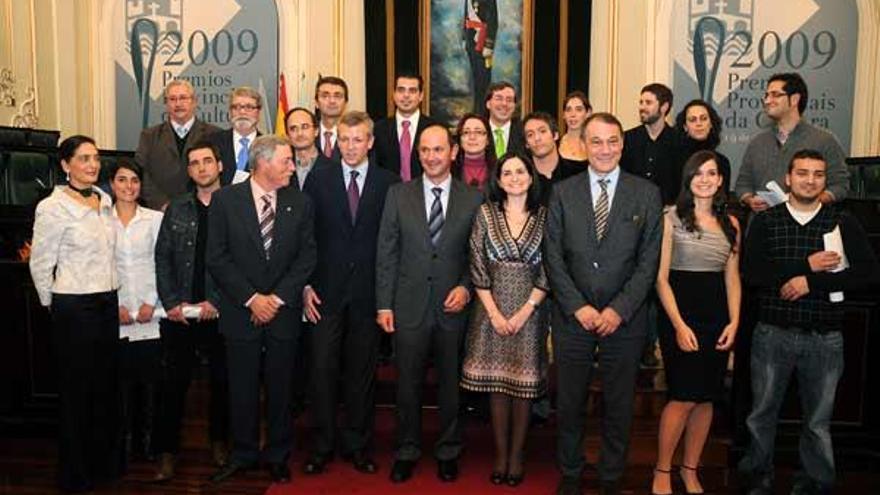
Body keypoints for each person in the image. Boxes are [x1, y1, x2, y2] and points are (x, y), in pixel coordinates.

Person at [737, 150, 879, 495]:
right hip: (773, 334)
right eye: (802, 173)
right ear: (788, 178)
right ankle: (758, 476)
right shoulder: (767, 221)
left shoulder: (842, 222)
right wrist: (806, 265)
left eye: (818, 174)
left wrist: (811, 282)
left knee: (818, 421)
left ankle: (816, 481)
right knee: (761, 414)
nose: (810, 180)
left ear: (824, 181)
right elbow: (753, 273)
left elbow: (869, 273)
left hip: (825, 337)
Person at [544, 113, 663, 495]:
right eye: (596, 141)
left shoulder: (646, 193)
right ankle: (571, 472)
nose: (605, 149)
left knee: (619, 405)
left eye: (612, 141)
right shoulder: (562, 192)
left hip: (624, 321)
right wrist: (578, 307)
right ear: (584, 145)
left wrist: (618, 309)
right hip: (572, 318)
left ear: (622, 144)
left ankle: (612, 476)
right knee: (570, 403)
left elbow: (649, 262)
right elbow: (553, 257)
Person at [376, 124, 483, 484]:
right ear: (417, 154)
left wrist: (467, 288)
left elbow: (477, 256)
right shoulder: (397, 194)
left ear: (453, 153)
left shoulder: (473, 198)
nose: (432, 156)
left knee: (450, 385)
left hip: (454, 307)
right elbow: (386, 253)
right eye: (425, 150)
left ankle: (448, 450)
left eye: (439, 149)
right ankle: (406, 450)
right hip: (407, 307)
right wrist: (384, 305)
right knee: (407, 384)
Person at [206, 135, 316, 485]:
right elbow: (217, 258)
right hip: (242, 312)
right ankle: (243, 454)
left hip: (282, 312)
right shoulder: (225, 201)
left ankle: (278, 455)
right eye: (285, 160)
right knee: (241, 387)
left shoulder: (300, 202)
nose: (291, 166)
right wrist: (253, 299)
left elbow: (306, 257)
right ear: (263, 162)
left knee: (282, 388)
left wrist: (276, 299)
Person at [300, 111, 399, 476]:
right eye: (344, 139)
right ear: (336, 141)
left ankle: (358, 445)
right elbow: (306, 238)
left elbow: (392, 242)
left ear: (370, 142)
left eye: (358, 139)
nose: (351, 146)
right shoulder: (318, 179)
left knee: (361, 374)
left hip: (368, 296)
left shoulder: (389, 183)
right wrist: (306, 285)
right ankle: (322, 446)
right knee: (322, 371)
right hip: (324, 294)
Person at [29, 135, 122, 492]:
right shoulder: (51, 208)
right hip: (73, 306)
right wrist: (51, 305)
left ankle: (103, 466)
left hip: (106, 303)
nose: (92, 164)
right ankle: (76, 474)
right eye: (83, 158)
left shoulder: (105, 199)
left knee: (105, 389)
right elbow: (41, 263)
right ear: (66, 165)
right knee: (77, 392)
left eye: (95, 158)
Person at [651, 151, 741, 495]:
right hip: (679, 314)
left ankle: (689, 470)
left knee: (706, 398)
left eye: (712, 173)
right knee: (683, 396)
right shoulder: (670, 218)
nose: (704, 179)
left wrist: (735, 322)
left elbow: (732, 278)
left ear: (720, 180)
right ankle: (662, 470)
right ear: (688, 179)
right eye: (697, 173)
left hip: (717, 316)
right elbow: (661, 279)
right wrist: (678, 324)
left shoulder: (732, 224)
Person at [460, 152, 549, 487]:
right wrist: (495, 313)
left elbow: (550, 267)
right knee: (497, 386)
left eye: (520, 171)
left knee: (522, 388)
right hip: (490, 310)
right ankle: (500, 455)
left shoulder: (545, 216)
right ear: (497, 179)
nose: (514, 177)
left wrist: (526, 310)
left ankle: (517, 456)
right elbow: (477, 262)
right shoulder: (485, 214)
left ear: (531, 176)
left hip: (531, 310)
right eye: (507, 172)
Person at [152, 141, 229, 482]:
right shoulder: (177, 208)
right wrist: (171, 303)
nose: (201, 168)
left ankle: (220, 443)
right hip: (180, 313)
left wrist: (217, 301)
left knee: (222, 383)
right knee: (172, 386)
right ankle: (166, 453)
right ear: (189, 171)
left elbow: (243, 261)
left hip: (220, 312)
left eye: (207, 161)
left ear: (220, 166)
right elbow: (162, 258)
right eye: (194, 163)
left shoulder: (236, 206)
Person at [109, 161, 164, 466]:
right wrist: (114, 304)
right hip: (116, 313)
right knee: (122, 384)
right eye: (122, 180)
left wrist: (150, 301)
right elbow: (103, 265)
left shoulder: (154, 220)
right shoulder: (101, 221)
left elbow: (161, 263)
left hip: (150, 314)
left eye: (134, 181)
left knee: (151, 382)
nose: (129, 186)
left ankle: (149, 442)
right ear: (112, 184)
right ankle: (126, 442)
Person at [735, 73, 849, 213]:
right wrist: (749, 200)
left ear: (794, 99)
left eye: (775, 95)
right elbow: (742, 184)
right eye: (766, 95)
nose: (767, 100)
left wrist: (810, 201)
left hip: (809, 227)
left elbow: (840, 185)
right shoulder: (757, 143)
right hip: (763, 226)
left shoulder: (824, 140)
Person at [136, 79, 221, 210]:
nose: (178, 103)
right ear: (166, 104)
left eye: (183, 98)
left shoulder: (214, 134)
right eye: (172, 99)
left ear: (194, 102)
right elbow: (142, 174)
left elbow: (219, 175)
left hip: (205, 209)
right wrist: (163, 205)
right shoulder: (149, 136)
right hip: (160, 212)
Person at [620, 82, 684, 206]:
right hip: (631, 211)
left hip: (666, 213)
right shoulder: (627, 139)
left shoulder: (679, 142)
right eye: (641, 102)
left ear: (664, 107)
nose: (642, 107)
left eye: (648, 103)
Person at [373, 72, 437, 182]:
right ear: (393, 94)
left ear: (421, 96)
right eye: (401, 90)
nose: (406, 95)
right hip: (388, 194)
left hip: (425, 193)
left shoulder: (434, 129)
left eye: (412, 91)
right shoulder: (378, 129)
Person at [522, 111, 584, 204]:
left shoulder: (578, 173)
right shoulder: (522, 179)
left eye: (542, 131)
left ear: (555, 135)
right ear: (527, 144)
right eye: (530, 134)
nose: (537, 138)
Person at [207, 86, 262, 186]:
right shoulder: (212, 141)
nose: (242, 112)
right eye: (236, 107)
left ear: (258, 113)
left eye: (249, 107)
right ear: (230, 112)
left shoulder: (267, 145)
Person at [675, 99, 731, 195]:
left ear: (711, 124)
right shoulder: (673, 159)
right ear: (685, 126)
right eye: (692, 120)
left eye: (704, 118)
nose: (699, 124)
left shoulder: (722, 162)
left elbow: (722, 198)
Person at [285, 106, 334, 189]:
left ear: (316, 131)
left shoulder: (333, 169)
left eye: (305, 127)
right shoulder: (280, 168)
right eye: (293, 129)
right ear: (287, 135)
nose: (299, 133)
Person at [461, 0, 497, 112]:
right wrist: (464, 38)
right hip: (471, 41)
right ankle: (477, 108)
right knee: (475, 77)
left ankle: (484, 110)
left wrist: (489, 45)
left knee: (484, 78)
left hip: (483, 40)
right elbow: (466, 17)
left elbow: (493, 21)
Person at [452, 112, 496, 191]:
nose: (472, 137)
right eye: (466, 132)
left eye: (478, 132)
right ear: (460, 140)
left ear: (488, 140)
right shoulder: (449, 170)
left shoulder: (499, 170)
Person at [485, 81, 526, 156]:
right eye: (499, 99)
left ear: (514, 106)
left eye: (509, 100)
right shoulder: (478, 130)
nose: (504, 104)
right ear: (488, 104)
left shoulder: (525, 132)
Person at [314, 76, 349, 160]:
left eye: (337, 96)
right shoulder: (308, 133)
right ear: (316, 103)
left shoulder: (355, 135)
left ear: (346, 103)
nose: (332, 101)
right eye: (325, 96)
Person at [559, 91, 592, 161]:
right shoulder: (554, 145)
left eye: (578, 110)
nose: (573, 114)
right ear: (564, 115)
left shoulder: (595, 145)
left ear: (588, 113)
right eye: (568, 110)